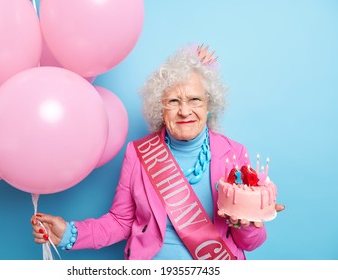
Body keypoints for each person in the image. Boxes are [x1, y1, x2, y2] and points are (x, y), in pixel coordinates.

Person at [31, 43, 284, 260]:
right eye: (173, 101)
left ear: (209, 105)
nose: (185, 111)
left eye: (195, 100)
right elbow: (120, 222)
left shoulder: (234, 153)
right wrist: (69, 233)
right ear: (159, 109)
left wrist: (248, 222)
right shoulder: (138, 153)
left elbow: (251, 242)